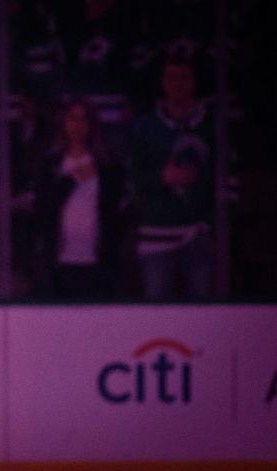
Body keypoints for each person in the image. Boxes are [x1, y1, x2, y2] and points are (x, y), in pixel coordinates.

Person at [128, 55, 215, 300]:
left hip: (198, 233)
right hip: (156, 235)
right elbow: (132, 180)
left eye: (184, 77)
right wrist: (161, 177)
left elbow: (223, 179)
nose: (178, 83)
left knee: (202, 314)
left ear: (194, 81)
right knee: (157, 312)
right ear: (163, 82)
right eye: (172, 77)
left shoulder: (210, 125)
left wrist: (212, 226)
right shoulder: (144, 127)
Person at [29, 97, 128, 300]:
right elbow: (43, 205)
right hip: (59, 259)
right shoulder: (51, 163)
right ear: (63, 122)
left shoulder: (107, 164)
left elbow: (115, 209)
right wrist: (71, 180)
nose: (78, 125)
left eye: (84, 119)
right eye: (72, 118)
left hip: (99, 259)